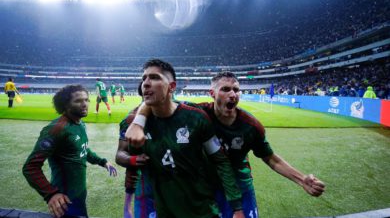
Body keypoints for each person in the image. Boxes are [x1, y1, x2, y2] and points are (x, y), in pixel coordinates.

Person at [129, 71, 326, 218]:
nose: (233, 94)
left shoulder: (251, 126)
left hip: (240, 184)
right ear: (212, 93)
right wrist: (138, 123)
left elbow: (271, 159)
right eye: (225, 89)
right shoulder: (196, 114)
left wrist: (302, 180)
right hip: (208, 185)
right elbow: (154, 101)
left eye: (236, 90)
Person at [116, 59, 244, 218]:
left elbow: (220, 160)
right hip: (163, 208)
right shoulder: (131, 124)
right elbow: (124, 159)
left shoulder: (195, 117)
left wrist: (237, 206)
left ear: (172, 87)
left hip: (202, 209)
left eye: (155, 77)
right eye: (144, 79)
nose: (146, 83)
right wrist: (133, 162)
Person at [23, 85, 117, 218]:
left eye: (86, 100)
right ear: (65, 105)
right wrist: (51, 194)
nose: (84, 104)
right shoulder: (56, 129)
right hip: (64, 200)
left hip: (79, 194)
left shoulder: (80, 123)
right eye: (78, 101)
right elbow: (30, 167)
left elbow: (82, 149)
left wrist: (103, 162)